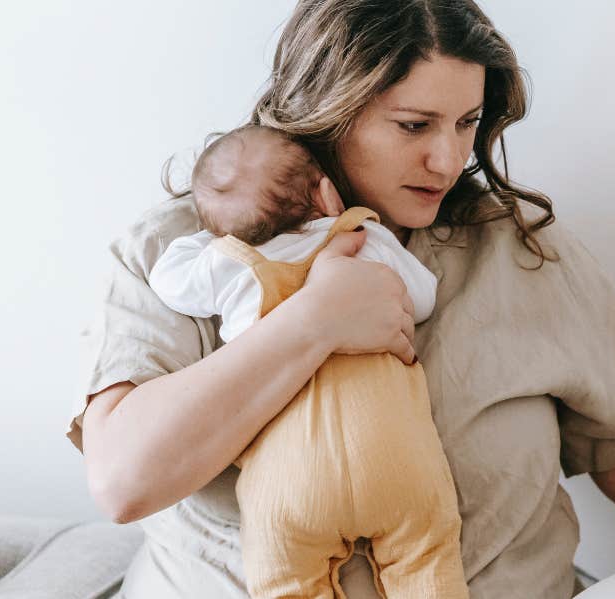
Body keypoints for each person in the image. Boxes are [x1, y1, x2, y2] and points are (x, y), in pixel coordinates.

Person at [69, 1, 615, 597]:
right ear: (325, 108)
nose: (447, 158)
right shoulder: (184, 250)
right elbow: (124, 479)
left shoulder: (519, 250)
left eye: (467, 123)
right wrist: (311, 323)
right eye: (414, 124)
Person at [148, 124, 466, 598]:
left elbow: (168, 280)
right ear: (328, 192)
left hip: (290, 485)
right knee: (427, 557)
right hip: (395, 462)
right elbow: (421, 297)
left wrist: (214, 239)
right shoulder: (363, 238)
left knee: (286, 581)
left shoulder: (233, 265)